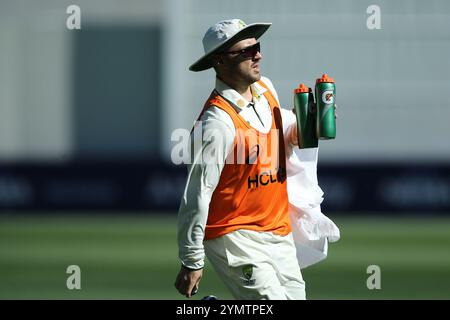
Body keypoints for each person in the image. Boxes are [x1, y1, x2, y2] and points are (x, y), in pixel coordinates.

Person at [174, 18, 339, 300]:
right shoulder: (215, 123)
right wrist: (192, 259)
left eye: (257, 47)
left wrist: (304, 130)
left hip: (278, 231)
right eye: (245, 51)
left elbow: (285, 131)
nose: (257, 55)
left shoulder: (265, 89)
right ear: (219, 61)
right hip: (234, 235)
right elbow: (197, 195)